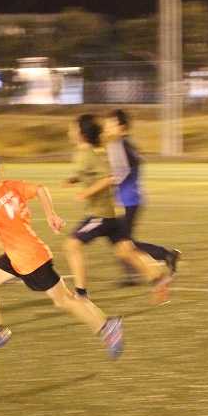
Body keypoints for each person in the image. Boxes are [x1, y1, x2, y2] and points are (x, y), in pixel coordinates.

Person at [0, 155, 124, 359]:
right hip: (18, 255)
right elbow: (40, 189)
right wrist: (51, 215)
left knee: (63, 300)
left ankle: (107, 326)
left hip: (29, 260)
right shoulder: (9, 186)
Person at [62, 114, 172, 304]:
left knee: (71, 245)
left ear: (81, 133)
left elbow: (109, 177)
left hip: (101, 215)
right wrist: (74, 179)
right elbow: (90, 172)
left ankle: (81, 294)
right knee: (124, 251)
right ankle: (158, 279)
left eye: (72, 129)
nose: (69, 132)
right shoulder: (85, 153)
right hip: (110, 213)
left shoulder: (87, 154)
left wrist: (86, 192)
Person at [104, 109, 180, 285]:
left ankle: (165, 255)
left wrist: (102, 185)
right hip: (131, 199)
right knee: (119, 239)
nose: (106, 127)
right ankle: (134, 272)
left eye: (110, 124)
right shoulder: (125, 144)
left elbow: (120, 173)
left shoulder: (118, 145)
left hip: (127, 201)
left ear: (122, 127)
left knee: (123, 243)